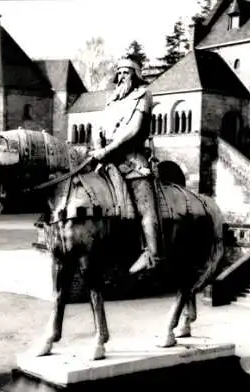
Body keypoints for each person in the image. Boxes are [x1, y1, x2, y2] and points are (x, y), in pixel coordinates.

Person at [89, 55, 163, 274]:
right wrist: (97, 148)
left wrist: (106, 150)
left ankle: (152, 253)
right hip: (106, 159)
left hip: (133, 161)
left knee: (145, 208)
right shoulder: (112, 100)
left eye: (126, 72)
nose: (121, 77)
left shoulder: (144, 95)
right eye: (119, 72)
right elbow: (98, 127)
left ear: (136, 75)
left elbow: (133, 130)